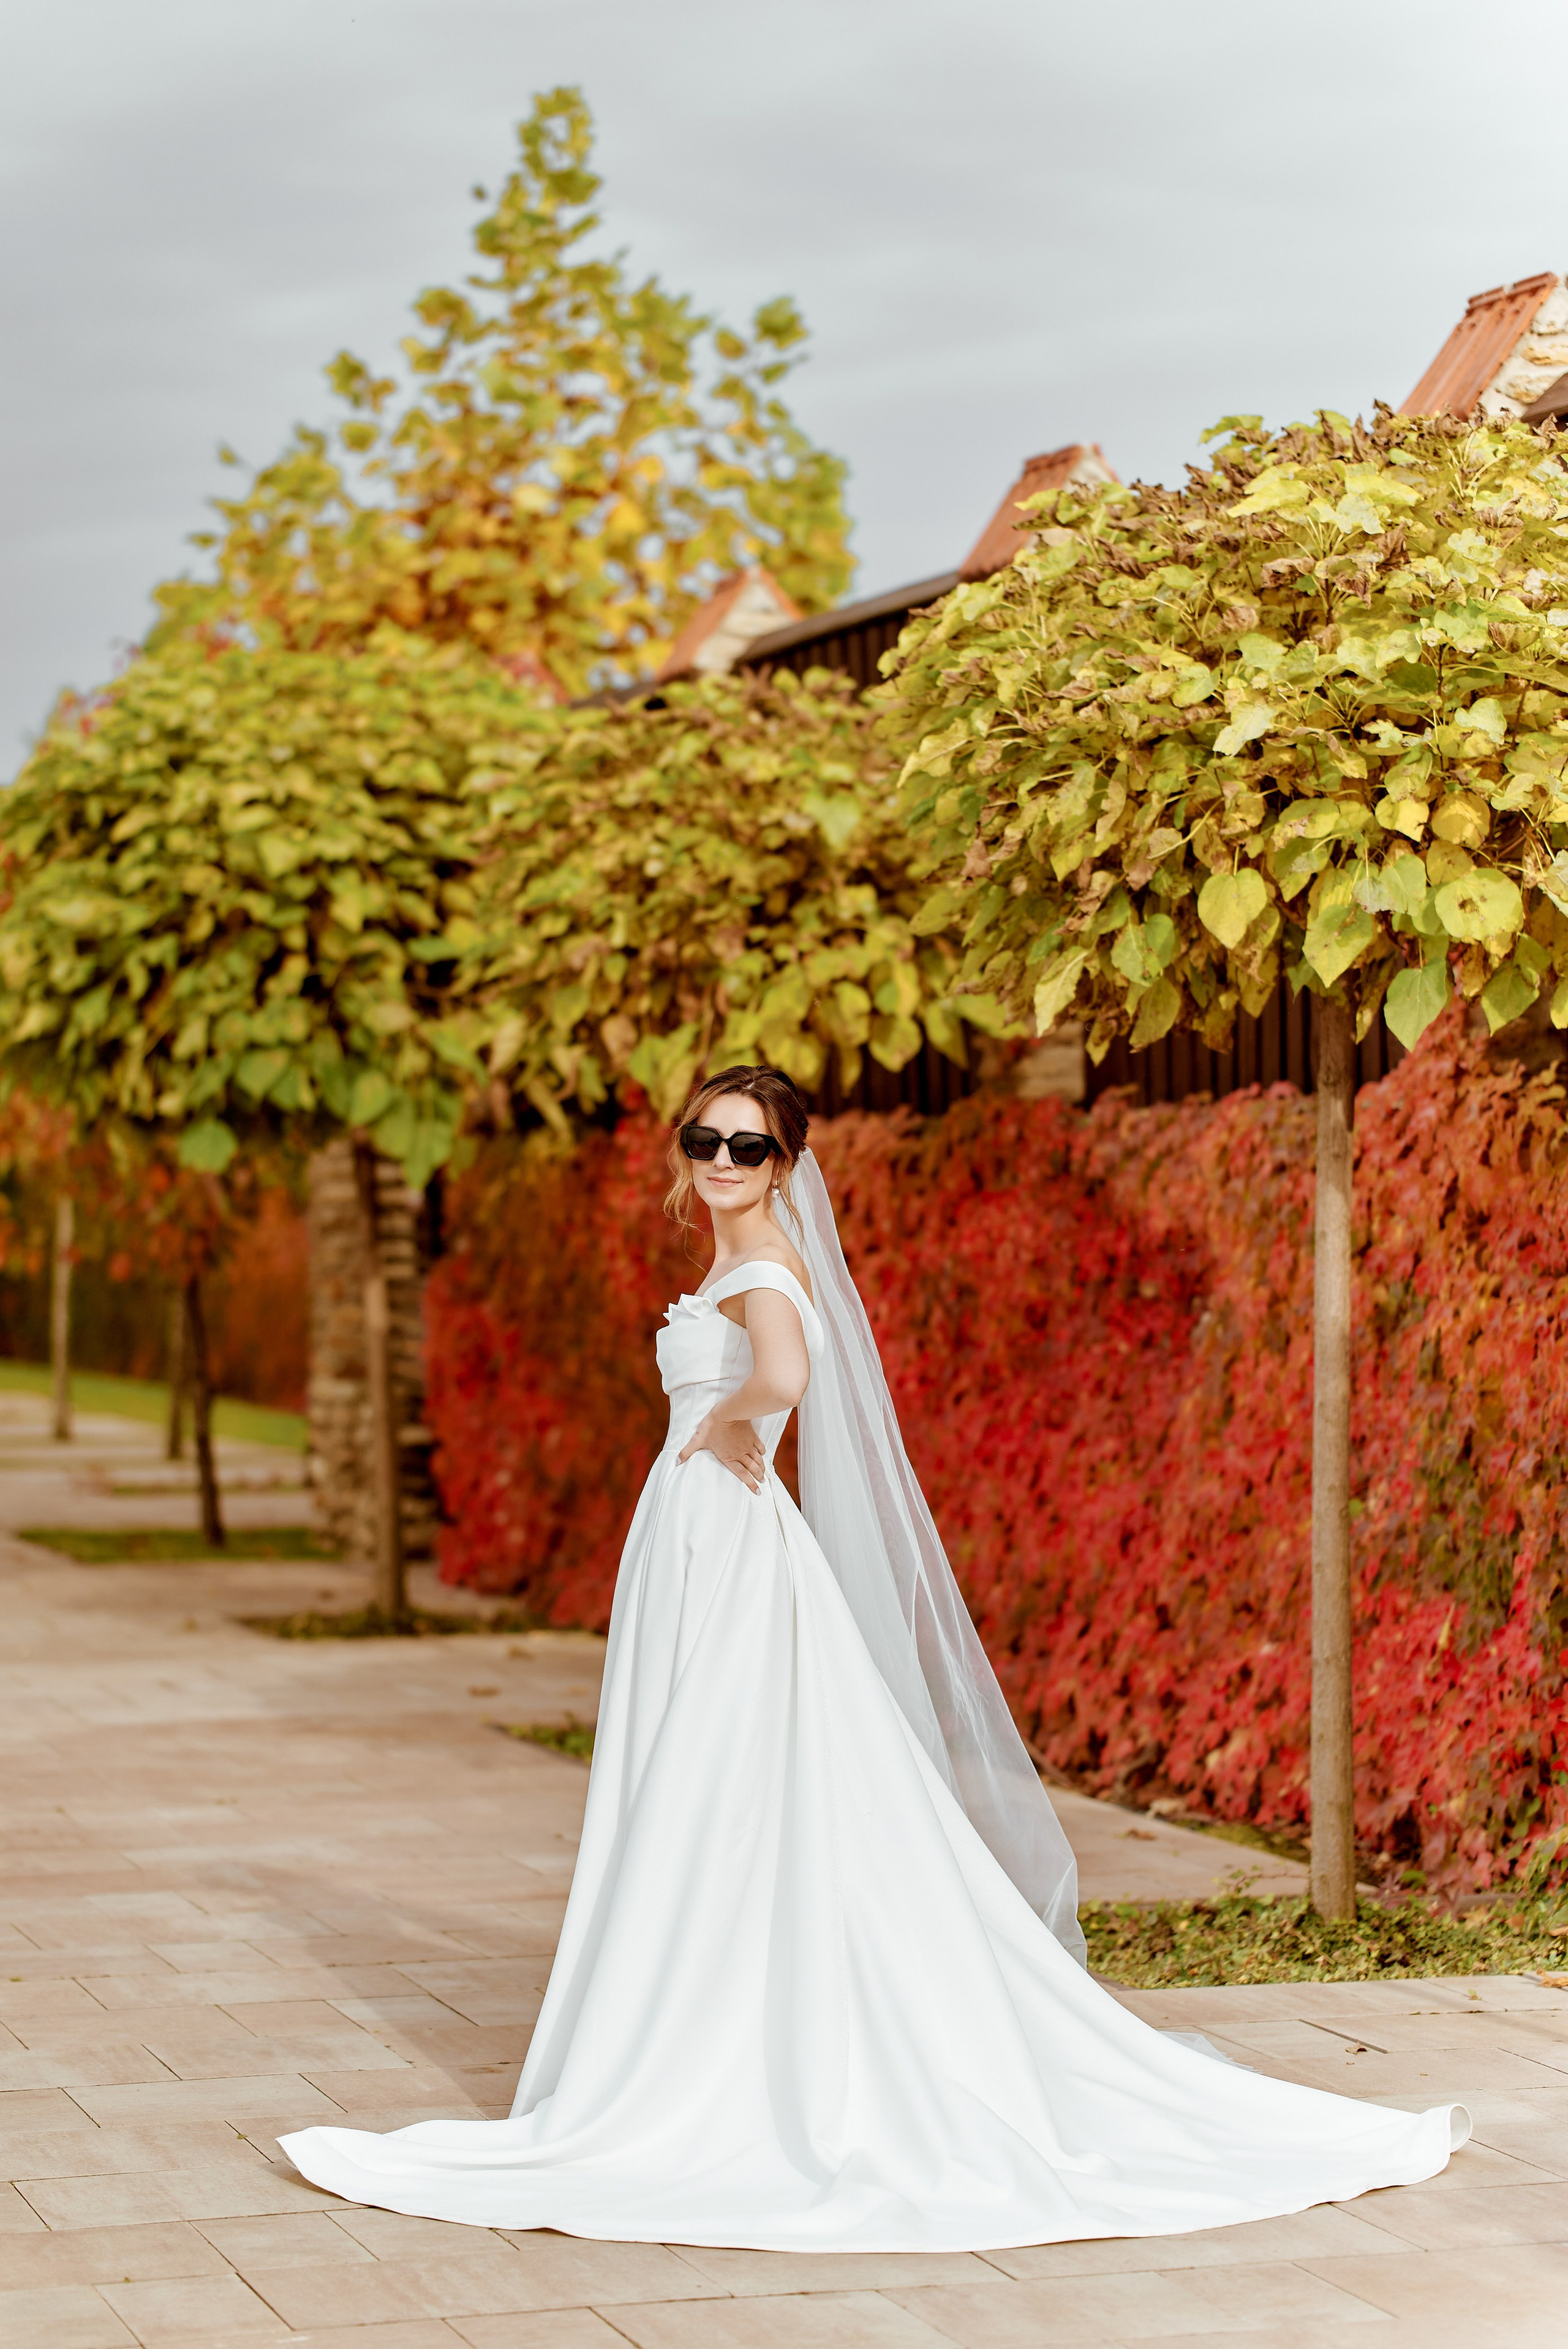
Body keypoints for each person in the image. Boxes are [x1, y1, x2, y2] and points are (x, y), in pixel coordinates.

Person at [281, 1065, 1468, 2250]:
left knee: (719, 1787)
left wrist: (728, 1421)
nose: (720, 1162)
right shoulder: (728, 1256)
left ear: (784, 1166)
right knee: (715, 1790)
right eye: (705, 1138)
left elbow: (785, 1375)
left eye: (747, 1148)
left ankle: (707, 2047)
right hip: (697, 1539)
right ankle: (700, 2017)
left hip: (729, 1549)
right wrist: (719, 1426)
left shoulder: (761, 1265)